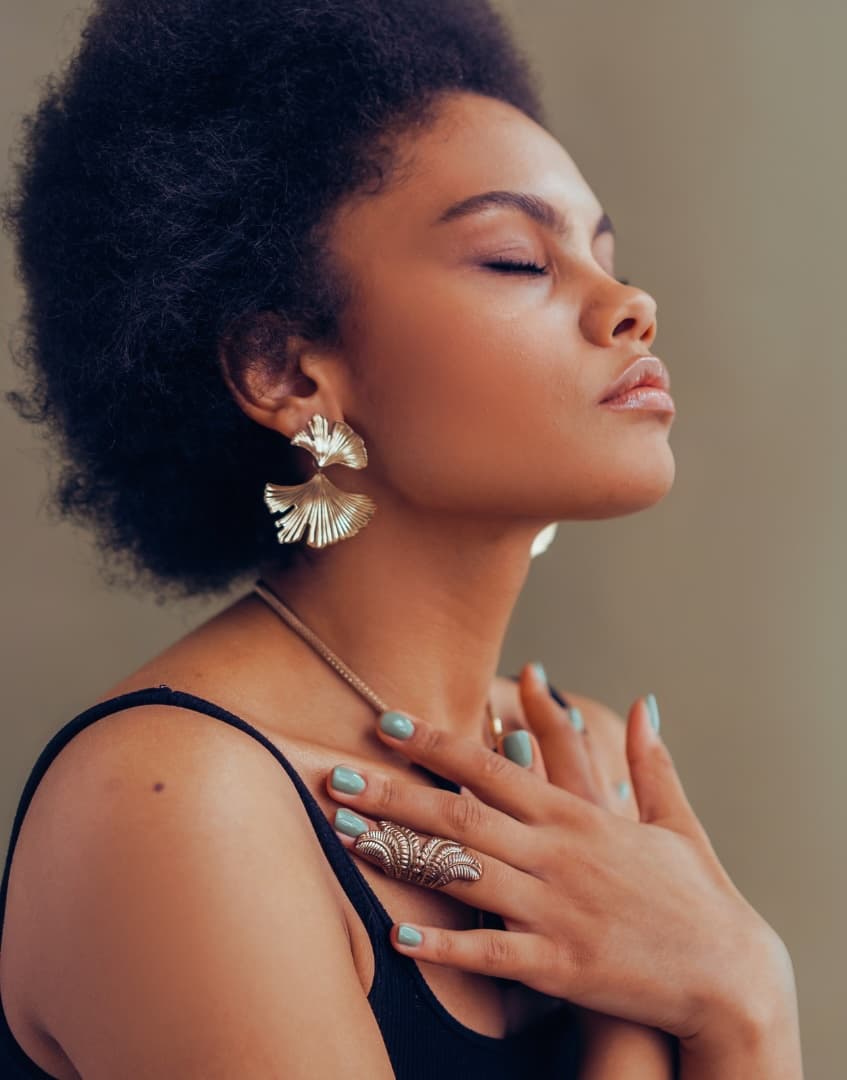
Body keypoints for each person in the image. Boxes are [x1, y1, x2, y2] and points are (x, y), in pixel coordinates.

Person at [0, 1, 804, 1076]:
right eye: (517, 260)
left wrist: (745, 994)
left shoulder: (590, 761)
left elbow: (736, 1005)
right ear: (287, 372)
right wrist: (686, 1002)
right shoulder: (176, 804)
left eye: (605, 253)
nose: (630, 304)